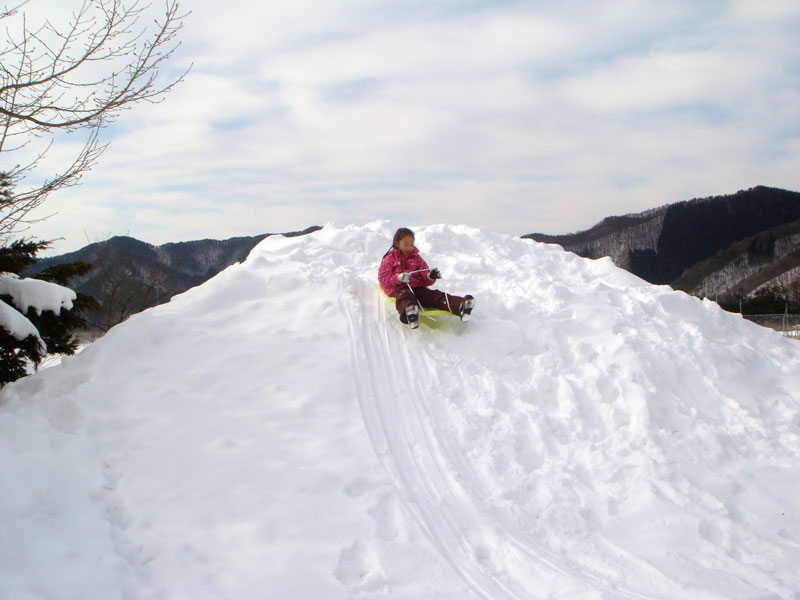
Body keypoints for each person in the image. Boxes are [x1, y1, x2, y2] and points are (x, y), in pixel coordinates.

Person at [378, 227, 474, 329]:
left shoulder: (417, 258)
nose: (409, 247)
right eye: (405, 244)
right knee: (405, 297)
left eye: (411, 244)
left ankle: (460, 306)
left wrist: (430, 276)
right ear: (397, 243)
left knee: (434, 296)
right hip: (399, 288)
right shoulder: (390, 258)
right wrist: (398, 278)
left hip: (417, 287)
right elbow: (383, 278)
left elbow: (425, 276)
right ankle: (410, 312)